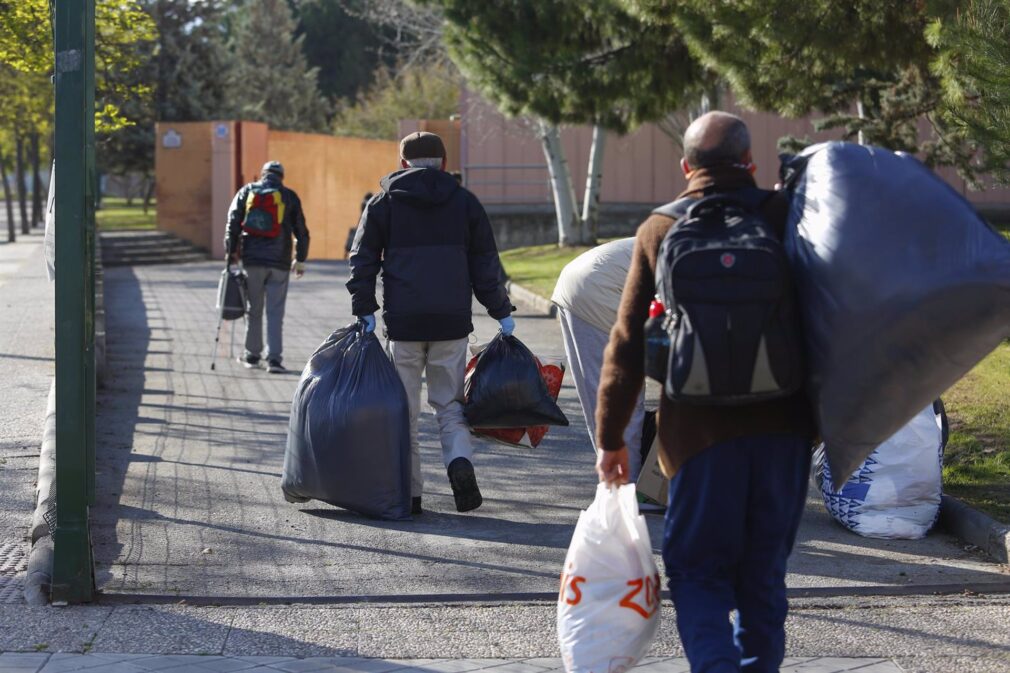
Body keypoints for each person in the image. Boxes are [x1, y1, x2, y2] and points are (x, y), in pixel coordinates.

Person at [594, 112, 815, 673]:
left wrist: (611, 439)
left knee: (698, 572)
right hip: (783, 430)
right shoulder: (787, 215)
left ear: (686, 166)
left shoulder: (659, 229)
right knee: (763, 575)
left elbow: (626, 343)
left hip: (696, 437)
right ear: (752, 165)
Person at [347, 132, 514, 515]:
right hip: (451, 324)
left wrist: (365, 308)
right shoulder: (465, 202)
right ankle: (459, 463)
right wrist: (501, 312)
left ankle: (410, 493)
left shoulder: (384, 203)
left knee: (403, 410)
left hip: (403, 324)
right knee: (449, 405)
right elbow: (486, 266)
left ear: (403, 162)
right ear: (442, 161)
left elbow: (362, 259)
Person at [551, 238, 648, 481]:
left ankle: (617, 480)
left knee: (601, 395)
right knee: (623, 397)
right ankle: (625, 485)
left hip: (578, 280)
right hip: (600, 290)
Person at [225, 161, 309, 374]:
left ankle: (252, 355)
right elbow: (301, 230)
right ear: (281, 176)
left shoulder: (247, 191)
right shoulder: (288, 196)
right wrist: (300, 259)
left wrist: (230, 251)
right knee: (275, 312)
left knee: (254, 309)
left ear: (263, 175)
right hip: (280, 261)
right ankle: (274, 360)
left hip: (252, 260)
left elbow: (233, 221)